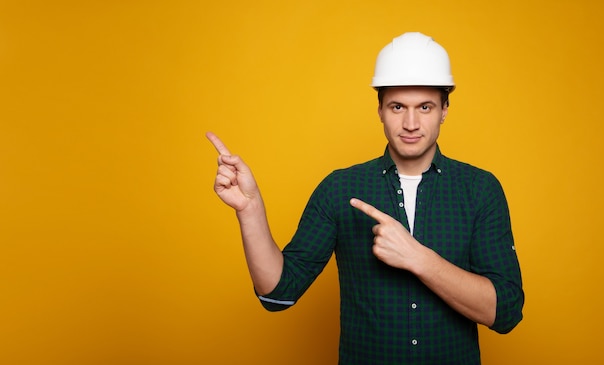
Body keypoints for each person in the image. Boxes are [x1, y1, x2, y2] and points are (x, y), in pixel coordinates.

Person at [207, 32, 524, 365]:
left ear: (445, 109)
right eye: (398, 107)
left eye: (425, 107)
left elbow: (505, 312)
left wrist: (417, 258)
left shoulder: (479, 189)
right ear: (380, 111)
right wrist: (250, 209)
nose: (411, 123)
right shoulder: (340, 189)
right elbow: (278, 294)